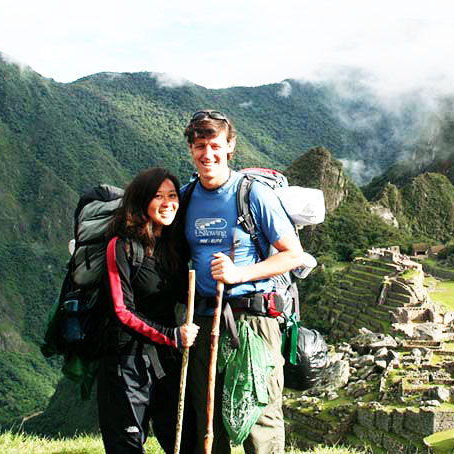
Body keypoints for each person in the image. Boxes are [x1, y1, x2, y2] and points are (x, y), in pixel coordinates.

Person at [175, 110, 304, 454]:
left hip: (253, 321)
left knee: (258, 420)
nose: (208, 154)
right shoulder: (186, 198)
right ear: (191, 149)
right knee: (209, 421)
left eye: (215, 145)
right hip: (203, 319)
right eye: (200, 145)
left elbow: (293, 255)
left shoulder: (253, 195)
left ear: (230, 146)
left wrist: (239, 273)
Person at [98, 167, 200, 454]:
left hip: (166, 360)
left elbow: (184, 293)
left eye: (172, 196)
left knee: (183, 438)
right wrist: (172, 336)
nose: (168, 203)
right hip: (127, 361)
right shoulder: (121, 246)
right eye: (158, 196)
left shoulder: (173, 245)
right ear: (142, 200)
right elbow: (121, 310)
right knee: (128, 445)